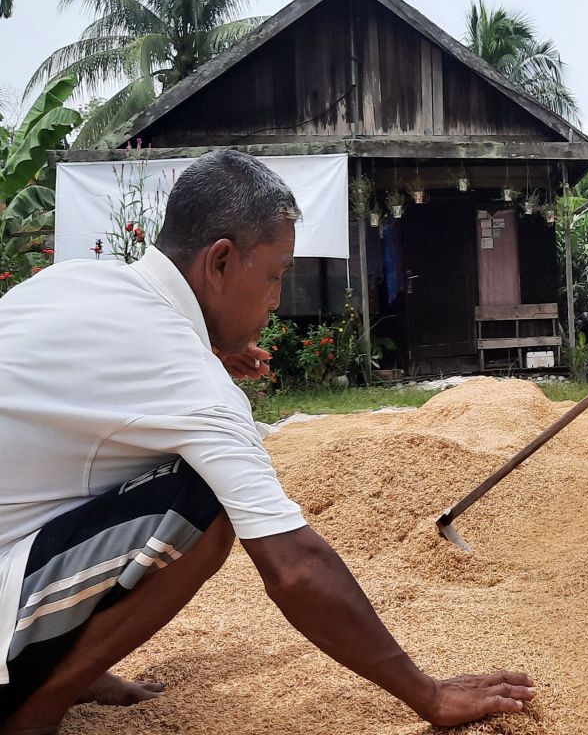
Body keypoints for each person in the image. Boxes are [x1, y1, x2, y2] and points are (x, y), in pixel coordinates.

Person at [0, 150, 535, 733]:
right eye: (276, 275)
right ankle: (36, 705)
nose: (278, 300)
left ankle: (72, 664)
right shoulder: (186, 376)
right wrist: (427, 694)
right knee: (205, 506)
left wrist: (207, 350)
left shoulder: (79, 280)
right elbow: (295, 569)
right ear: (222, 261)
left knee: (154, 463)